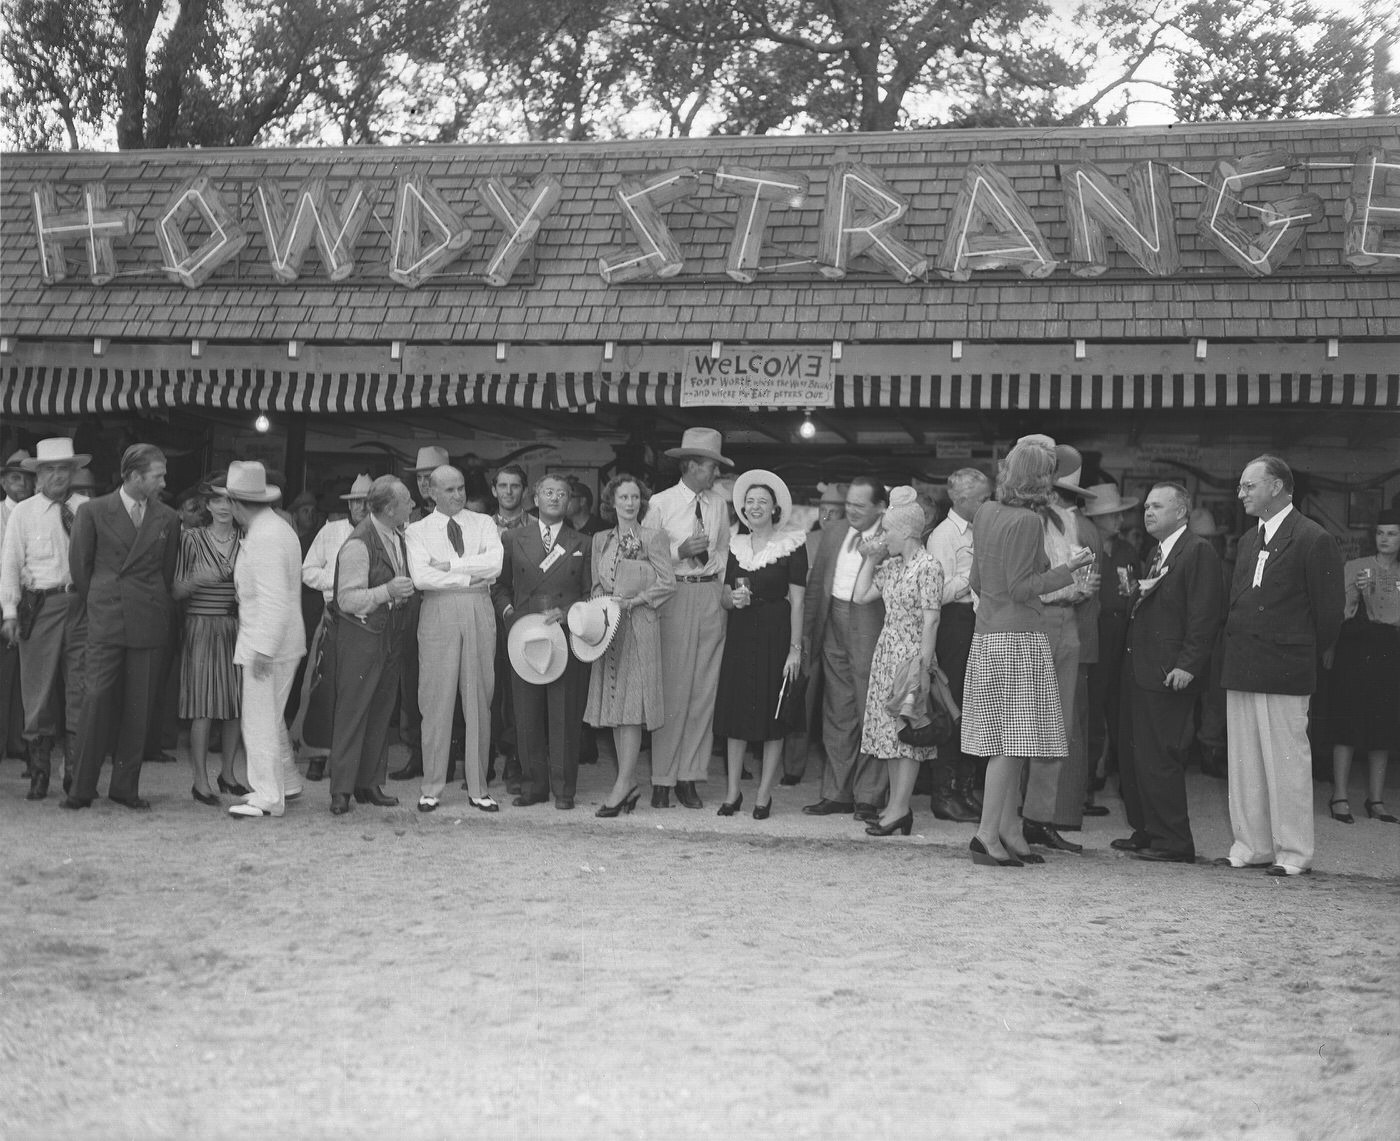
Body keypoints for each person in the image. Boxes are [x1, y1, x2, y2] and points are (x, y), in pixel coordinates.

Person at [961, 435, 1093, 866]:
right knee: (1011, 744)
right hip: (1019, 637)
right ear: (1040, 478)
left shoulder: (984, 512)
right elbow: (1023, 589)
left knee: (1011, 741)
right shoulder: (1028, 522)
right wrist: (1066, 572)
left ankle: (1010, 829)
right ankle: (987, 834)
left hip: (987, 636)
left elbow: (978, 581)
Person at [1216, 454, 1344, 876]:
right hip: (1243, 663)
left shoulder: (1313, 538)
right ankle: (1250, 845)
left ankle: (1293, 853)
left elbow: (1328, 615)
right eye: (1240, 487)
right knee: (1245, 761)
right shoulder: (1248, 540)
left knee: (1287, 763)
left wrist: (1299, 651)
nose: (1241, 494)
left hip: (1285, 668)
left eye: (1249, 486)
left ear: (1277, 487)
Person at [63, 443, 180, 811]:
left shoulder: (168, 518)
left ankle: (125, 789)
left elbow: (165, 573)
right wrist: (105, 600)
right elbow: (81, 571)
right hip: (107, 619)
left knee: (138, 708)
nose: (164, 481)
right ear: (132, 476)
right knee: (95, 701)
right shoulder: (93, 512)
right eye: (157, 475)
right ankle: (81, 789)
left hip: (147, 621)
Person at [1114, 483, 1224, 863]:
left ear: (1181, 513)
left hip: (1168, 673)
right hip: (1141, 670)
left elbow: (1205, 615)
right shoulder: (1157, 552)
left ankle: (1174, 842)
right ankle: (1147, 830)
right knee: (1137, 755)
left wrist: (1188, 665)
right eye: (1146, 506)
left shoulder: (1197, 551)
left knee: (1160, 756)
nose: (1148, 513)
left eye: (1157, 507)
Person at [406, 464, 503, 813]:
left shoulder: (484, 523)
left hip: (479, 609)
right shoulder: (416, 531)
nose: (458, 495)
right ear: (431, 492)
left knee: (478, 697)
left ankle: (479, 787)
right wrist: (466, 575)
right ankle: (431, 786)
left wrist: (449, 566)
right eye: (449, 490)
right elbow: (421, 577)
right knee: (434, 698)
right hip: (438, 612)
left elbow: (495, 566)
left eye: (461, 488)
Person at [492, 474, 592, 809]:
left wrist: (571, 613)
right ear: (536, 497)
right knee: (526, 714)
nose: (554, 498)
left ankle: (564, 791)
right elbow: (500, 586)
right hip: (525, 635)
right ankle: (533, 786)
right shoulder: (512, 538)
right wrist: (509, 614)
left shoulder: (582, 542)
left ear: (569, 501)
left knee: (564, 716)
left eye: (561, 494)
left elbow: (591, 593)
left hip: (564, 636)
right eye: (548, 492)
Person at [713, 470, 807, 820]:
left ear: (774, 509)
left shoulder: (793, 544)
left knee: (773, 714)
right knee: (735, 713)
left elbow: (798, 602)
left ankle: (764, 795)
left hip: (775, 632)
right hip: (740, 631)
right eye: (749, 502)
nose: (754, 507)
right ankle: (733, 791)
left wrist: (794, 650)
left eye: (761, 502)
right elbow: (723, 596)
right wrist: (731, 600)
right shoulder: (735, 545)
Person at [647, 428, 734, 809]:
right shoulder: (660, 503)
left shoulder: (718, 504)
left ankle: (690, 776)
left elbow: (724, 551)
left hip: (709, 594)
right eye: (711, 466)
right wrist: (680, 551)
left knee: (704, 691)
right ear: (691, 465)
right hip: (675, 593)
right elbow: (646, 557)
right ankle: (662, 778)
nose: (715, 473)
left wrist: (722, 587)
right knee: (673, 689)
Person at [0, 438, 89, 800]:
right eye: (49, 469)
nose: (56, 476)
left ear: (72, 472)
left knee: (80, 688)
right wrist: (9, 612)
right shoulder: (23, 513)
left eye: (63, 469)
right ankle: (39, 774)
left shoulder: (88, 508)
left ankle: (74, 774)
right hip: (40, 604)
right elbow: (9, 565)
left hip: (80, 605)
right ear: (39, 475)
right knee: (35, 690)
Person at [851, 486, 943, 837]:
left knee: (907, 733)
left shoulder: (928, 567)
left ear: (905, 532)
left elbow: (932, 619)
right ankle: (894, 807)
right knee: (890, 735)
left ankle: (901, 807)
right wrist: (870, 559)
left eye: (887, 531)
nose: (882, 536)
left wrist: (923, 665)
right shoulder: (892, 566)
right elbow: (860, 596)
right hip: (887, 652)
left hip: (911, 656)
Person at [582, 474, 675, 816]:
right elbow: (594, 583)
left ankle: (623, 784)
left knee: (632, 708)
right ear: (612, 502)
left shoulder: (653, 537)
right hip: (609, 630)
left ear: (642, 502)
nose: (630, 503)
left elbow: (668, 583)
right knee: (616, 709)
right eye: (624, 497)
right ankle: (629, 783)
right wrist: (600, 606)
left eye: (635, 497)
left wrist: (636, 600)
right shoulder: (600, 539)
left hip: (639, 627)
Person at [220, 461, 307, 820]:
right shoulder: (274, 528)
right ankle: (286, 783)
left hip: (268, 642)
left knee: (259, 722)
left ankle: (268, 796)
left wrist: (262, 649)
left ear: (238, 503)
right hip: (278, 640)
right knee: (271, 719)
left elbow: (274, 599)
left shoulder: (267, 535)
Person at [802, 476, 891, 821]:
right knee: (837, 710)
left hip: (870, 623)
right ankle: (836, 793)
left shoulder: (891, 538)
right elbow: (814, 588)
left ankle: (868, 796)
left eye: (859, 505)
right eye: (848, 504)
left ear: (880, 507)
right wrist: (807, 635)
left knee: (871, 709)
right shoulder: (835, 532)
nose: (850, 511)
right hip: (832, 623)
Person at [327, 476, 417, 816]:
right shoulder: (358, 544)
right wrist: (387, 592)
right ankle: (341, 790)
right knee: (353, 711)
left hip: (388, 633)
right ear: (390, 508)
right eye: (407, 501)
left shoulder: (394, 536)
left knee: (380, 709)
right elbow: (346, 599)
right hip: (361, 637)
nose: (412, 505)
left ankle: (367, 783)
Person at [1323, 509, 1400, 825]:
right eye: (1381, 533)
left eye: (1392, 533)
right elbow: (1339, 611)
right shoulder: (1356, 567)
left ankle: (1376, 799)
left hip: (1389, 652)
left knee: (1382, 726)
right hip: (1355, 652)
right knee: (1348, 723)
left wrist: (1378, 592)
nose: (1385, 539)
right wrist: (1328, 646)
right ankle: (1339, 795)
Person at [171, 478, 244, 806]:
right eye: (217, 501)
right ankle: (200, 781)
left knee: (234, 707)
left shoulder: (247, 540)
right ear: (208, 505)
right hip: (201, 627)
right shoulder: (191, 539)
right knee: (203, 707)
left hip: (236, 628)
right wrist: (196, 580)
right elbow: (174, 590)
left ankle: (228, 774)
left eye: (230, 501)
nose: (224, 507)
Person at [293, 472, 371, 779]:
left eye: (366, 502)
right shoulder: (331, 530)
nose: (360, 508)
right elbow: (307, 571)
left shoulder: (383, 533)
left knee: (358, 690)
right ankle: (317, 756)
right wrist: (340, 582)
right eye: (355, 503)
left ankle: (350, 760)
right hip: (333, 615)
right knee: (321, 688)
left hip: (366, 619)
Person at [924, 468, 991, 822]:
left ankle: (965, 790)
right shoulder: (943, 536)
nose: (987, 503)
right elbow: (939, 592)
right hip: (955, 624)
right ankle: (944, 794)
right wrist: (974, 574)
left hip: (978, 622)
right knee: (955, 708)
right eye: (981, 498)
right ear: (961, 500)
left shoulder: (981, 528)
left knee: (975, 709)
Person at [388, 444, 449, 782]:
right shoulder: (407, 515)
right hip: (413, 605)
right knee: (412, 680)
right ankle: (418, 754)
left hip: (443, 603)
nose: (425, 483)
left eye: (431, 476)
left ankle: (449, 754)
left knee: (447, 682)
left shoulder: (459, 516)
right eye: (422, 478)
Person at [1080, 483, 1139, 798]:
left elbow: (1131, 591)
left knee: (1114, 705)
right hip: (1094, 628)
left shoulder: (1127, 551)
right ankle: (1086, 781)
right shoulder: (1084, 549)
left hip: (1119, 631)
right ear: (1096, 519)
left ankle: (1101, 773)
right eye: (1111, 515)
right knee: (1091, 704)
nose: (1119, 521)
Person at [490, 463, 531, 792]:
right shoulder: (480, 526)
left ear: (524, 490)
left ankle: (516, 760)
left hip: (522, 616)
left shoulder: (534, 526)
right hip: (486, 614)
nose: (508, 492)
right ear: (494, 490)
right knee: (490, 689)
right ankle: (485, 759)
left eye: (514, 486)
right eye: (502, 486)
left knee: (520, 691)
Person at [0, 449, 35, 770]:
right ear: (3, 481)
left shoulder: (34, 514)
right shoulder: (1, 514)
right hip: (5, 602)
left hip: (33, 603)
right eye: (14, 477)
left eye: (26, 477)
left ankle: (18, 742)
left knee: (26, 675)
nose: (21, 483)